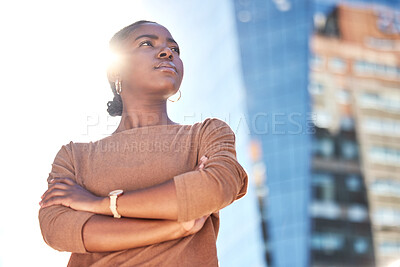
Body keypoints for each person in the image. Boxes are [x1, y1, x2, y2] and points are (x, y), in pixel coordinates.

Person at [38, 20, 248, 267]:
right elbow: (57, 230)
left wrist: (99, 204)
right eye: (146, 43)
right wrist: (176, 227)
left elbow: (216, 188)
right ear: (117, 70)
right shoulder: (74, 157)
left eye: (175, 49)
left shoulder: (207, 133)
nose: (168, 52)